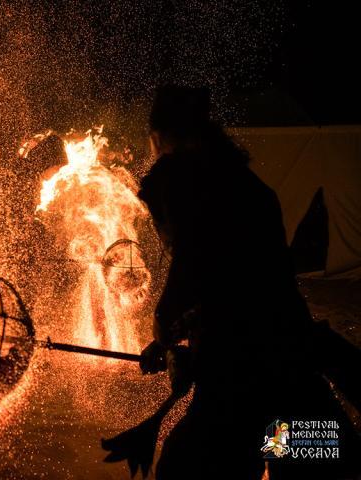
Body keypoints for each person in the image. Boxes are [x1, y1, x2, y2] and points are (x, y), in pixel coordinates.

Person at [104, 85, 360, 479]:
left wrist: (173, 338)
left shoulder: (200, 195)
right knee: (295, 448)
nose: (165, 243)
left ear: (163, 137)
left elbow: (191, 294)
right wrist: (178, 341)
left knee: (187, 468)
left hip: (253, 392)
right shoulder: (245, 186)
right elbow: (236, 290)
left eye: (164, 232)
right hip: (286, 385)